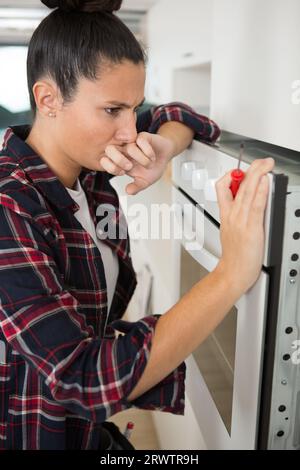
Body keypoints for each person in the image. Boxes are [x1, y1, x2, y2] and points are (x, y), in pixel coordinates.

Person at [0, 0, 274, 451]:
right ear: (48, 99)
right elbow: (82, 378)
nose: (130, 131)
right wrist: (231, 274)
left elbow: (182, 116)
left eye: (134, 108)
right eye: (113, 110)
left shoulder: (89, 164)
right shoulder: (11, 206)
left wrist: (164, 148)